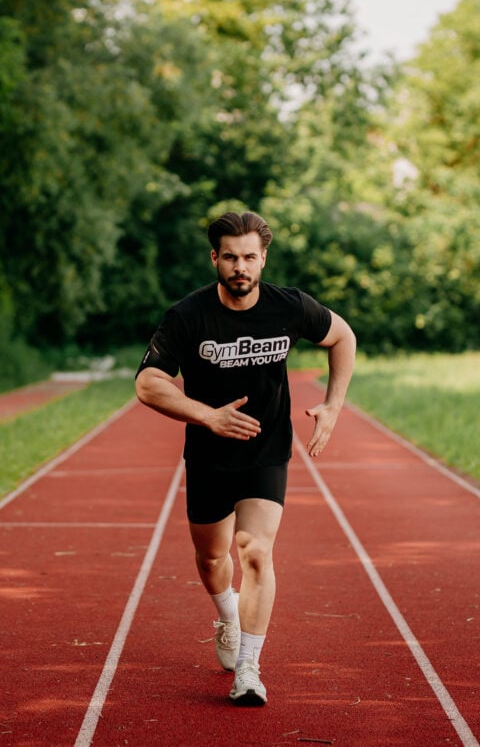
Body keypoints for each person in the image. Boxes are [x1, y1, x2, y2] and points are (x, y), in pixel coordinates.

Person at [135, 211, 356, 706]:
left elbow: (343, 336)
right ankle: (227, 616)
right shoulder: (187, 316)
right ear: (215, 258)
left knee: (255, 551)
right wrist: (207, 416)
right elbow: (147, 383)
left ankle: (250, 669)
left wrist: (332, 405)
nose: (241, 266)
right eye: (230, 256)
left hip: (266, 450)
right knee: (214, 559)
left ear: (263, 259)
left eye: (250, 257)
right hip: (210, 455)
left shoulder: (289, 306)